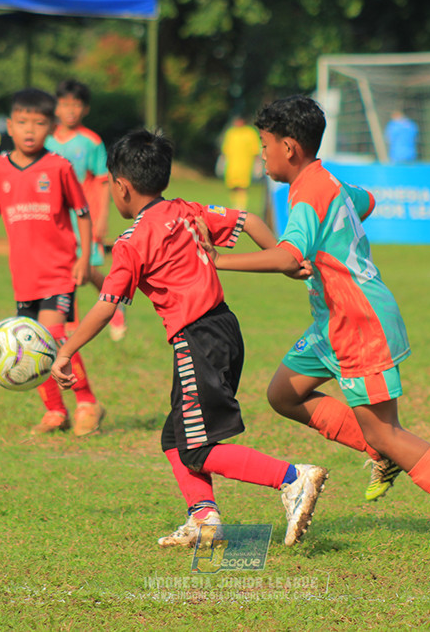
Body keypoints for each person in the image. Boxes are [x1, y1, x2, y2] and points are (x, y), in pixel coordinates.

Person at [202, 95, 430, 544]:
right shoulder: (323, 182)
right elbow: (367, 201)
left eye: (265, 145)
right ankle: (379, 452)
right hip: (333, 321)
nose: (261, 154)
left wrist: (218, 262)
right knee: (284, 393)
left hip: (358, 322)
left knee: (386, 429)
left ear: (289, 147)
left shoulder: (309, 193)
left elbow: (289, 254)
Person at [50, 129, 328, 548]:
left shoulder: (130, 241)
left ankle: (291, 477)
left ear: (122, 187)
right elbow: (249, 220)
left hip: (196, 342)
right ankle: (204, 518)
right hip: (224, 329)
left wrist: (66, 351)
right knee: (174, 438)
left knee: (195, 449)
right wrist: (287, 263)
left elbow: (107, 306)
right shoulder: (186, 209)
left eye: (110, 185)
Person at [0, 88, 104, 436]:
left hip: (59, 271)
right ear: (9, 127)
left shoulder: (59, 167)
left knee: (55, 337)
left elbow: (83, 213)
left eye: (40, 123)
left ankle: (87, 402)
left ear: (50, 127)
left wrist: (84, 258)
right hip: (24, 275)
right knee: (32, 343)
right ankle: (55, 411)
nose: (30, 130)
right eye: (23, 122)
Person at [45, 78, 127, 341]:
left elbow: (104, 182)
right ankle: (70, 324)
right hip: (54, 219)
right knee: (64, 270)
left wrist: (102, 217)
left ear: (85, 109)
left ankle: (114, 307)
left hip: (84, 217)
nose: (71, 110)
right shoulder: (46, 140)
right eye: (65, 104)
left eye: (76, 105)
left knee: (86, 272)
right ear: (56, 107)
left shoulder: (91, 142)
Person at [219, 115, 262, 211]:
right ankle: (234, 205)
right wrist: (222, 162)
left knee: (242, 186)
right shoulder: (231, 133)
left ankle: (241, 206)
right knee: (232, 186)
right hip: (232, 165)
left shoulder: (250, 133)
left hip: (245, 164)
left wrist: (257, 164)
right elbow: (225, 149)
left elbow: (255, 149)